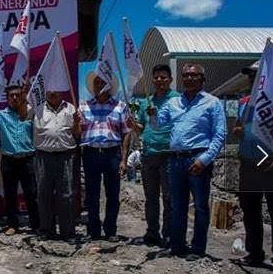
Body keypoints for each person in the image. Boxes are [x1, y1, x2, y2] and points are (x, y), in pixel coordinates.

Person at [152, 63, 226, 261]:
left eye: (194, 75)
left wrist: (205, 159)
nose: (189, 79)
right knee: (177, 205)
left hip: (198, 158)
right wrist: (149, 116)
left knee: (200, 206)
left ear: (202, 79)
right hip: (175, 160)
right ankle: (177, 245)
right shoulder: (174, 103)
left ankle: (198, 248)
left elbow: (220, 135)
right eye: (186, 75)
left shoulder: (213, 103)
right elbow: (158, 124)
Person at [232, 65, 273, 274]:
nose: (253, 79)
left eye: (257, 76)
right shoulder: (244, 102)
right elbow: (239, 130)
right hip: (250, 165)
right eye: (251, 76)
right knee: (251, 213)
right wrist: (238, 132)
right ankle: (255, 253)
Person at [131, 64, 180, 247]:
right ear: (152, 80)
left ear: (170, 80)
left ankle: (168, 234)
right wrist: (135, 127)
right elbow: (142, 127)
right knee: (151, 197)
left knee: (169, 197)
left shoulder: (177, 100)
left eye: (163, 77)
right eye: (156, 77)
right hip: (148, 155)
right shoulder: (145, 102)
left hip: (168, 154)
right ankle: (152, 232)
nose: (159, 80)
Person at [0, 85, 39, 236]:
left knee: (31, 193)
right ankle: (12, 224)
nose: (14, 98)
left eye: (17, 95)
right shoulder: (0, 115)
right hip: (9, 160)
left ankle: (36, 225)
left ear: (22, 97)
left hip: (28, 159)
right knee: (10, 194)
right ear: (7, 97)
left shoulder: (31, 113)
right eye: (11, 95)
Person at [79, 72, 131, 241]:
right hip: (91, 153)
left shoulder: (120, 106)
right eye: (96, 82)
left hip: (112, 153)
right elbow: (77, 133)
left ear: (109, 85)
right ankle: (93, 230)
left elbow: (126, 133)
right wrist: (74, 123)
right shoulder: (83, 106)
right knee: (92, 194)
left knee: (113, 194)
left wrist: (123, 159)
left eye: (103, 82)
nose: (99, 85)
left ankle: (110, 230)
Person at [33, 89, 81, 241]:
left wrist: (77, 122)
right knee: (43, 194)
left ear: (62, 91)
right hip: (43, 157)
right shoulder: (37, 108)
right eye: (50, 90)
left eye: (56, 90)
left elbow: (78, 134)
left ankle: (67, 231)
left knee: (66, 195)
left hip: (66, 156)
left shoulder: (71, 108)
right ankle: (47, 229)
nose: (53, 93)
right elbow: (21, 115)